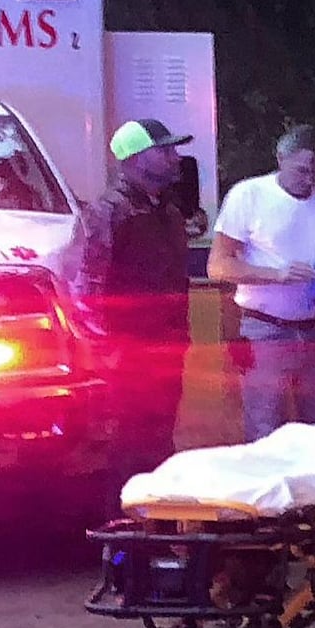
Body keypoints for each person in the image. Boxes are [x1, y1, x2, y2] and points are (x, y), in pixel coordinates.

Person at [58, 117, 202, 496]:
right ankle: (125, 541)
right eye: (165, 150)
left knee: (159, 443)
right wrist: (109, 353)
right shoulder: (108, 213)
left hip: (166, 350)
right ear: (135, 159)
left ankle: (161, 528)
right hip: (128, 356)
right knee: (127, 447)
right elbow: (87, 289)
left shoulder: (168, 213)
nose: (175, 158)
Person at [211, 124, 315, 438]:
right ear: (281, 158)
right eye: (302, 170)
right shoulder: (249, 195)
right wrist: (278, 275)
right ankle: (273, 486)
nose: (309, 179)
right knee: (267, 429)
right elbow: (218, 266)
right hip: (265, 330)